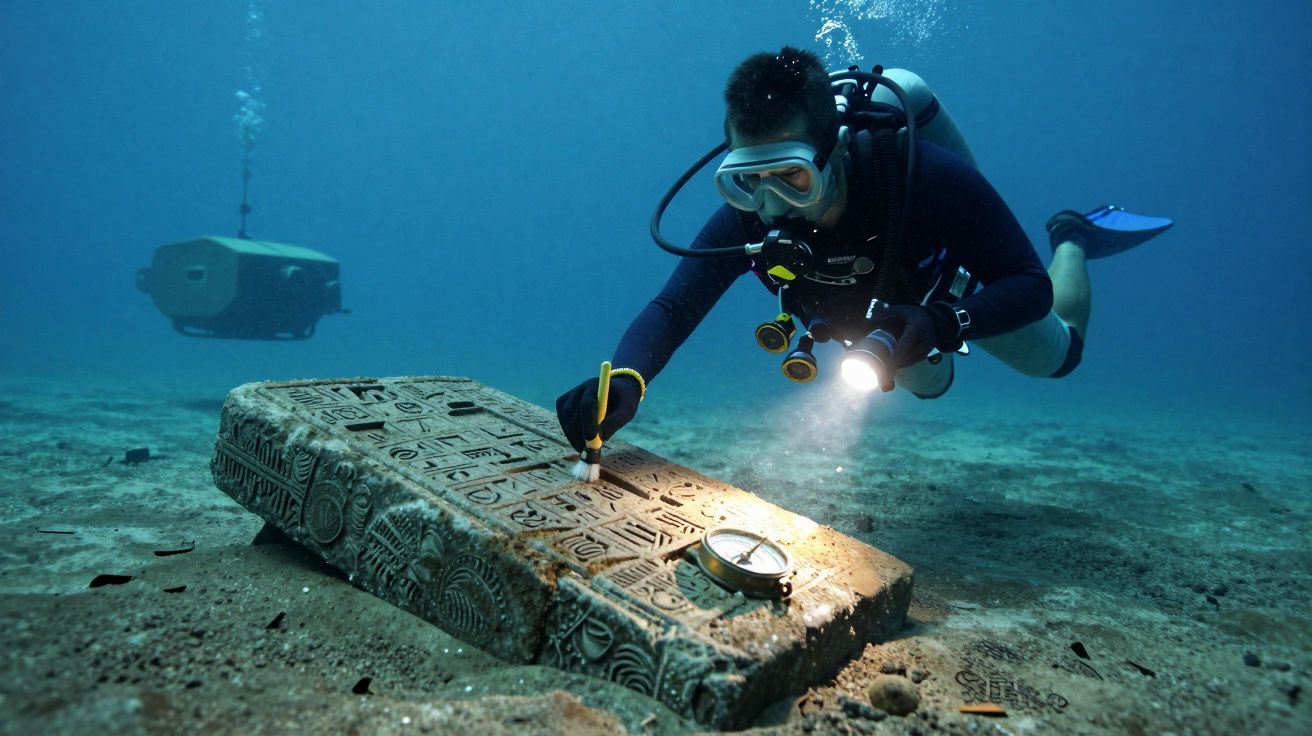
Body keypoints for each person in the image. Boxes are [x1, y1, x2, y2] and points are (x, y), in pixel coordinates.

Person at [556, 46, 1171, 454]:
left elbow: (1028, 286)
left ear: (835, 151)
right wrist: (628, 378)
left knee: (1059, 358)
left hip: (947, 290)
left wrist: (945, 321)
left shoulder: (921, 178)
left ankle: (1072, 235)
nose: (771, 204)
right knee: (928, 385)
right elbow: (674, 307)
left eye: (792, 177)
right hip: (878, 323)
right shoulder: (748, 216)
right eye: (749, 179)